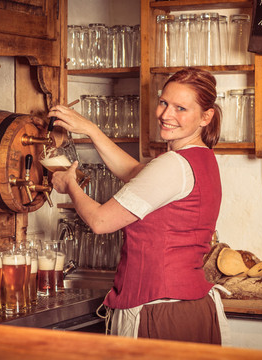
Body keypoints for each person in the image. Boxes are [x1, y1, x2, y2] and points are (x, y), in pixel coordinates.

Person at [47, 68, 227, 344]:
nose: (166, 115)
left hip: (159, 313)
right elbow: (134, 172)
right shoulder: (201, 158)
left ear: (206, 117)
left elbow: (100, 222)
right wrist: (91, 130)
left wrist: (70, 184)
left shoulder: (173, 164)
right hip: (192, 308)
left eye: (181, 108)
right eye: (164, 102)